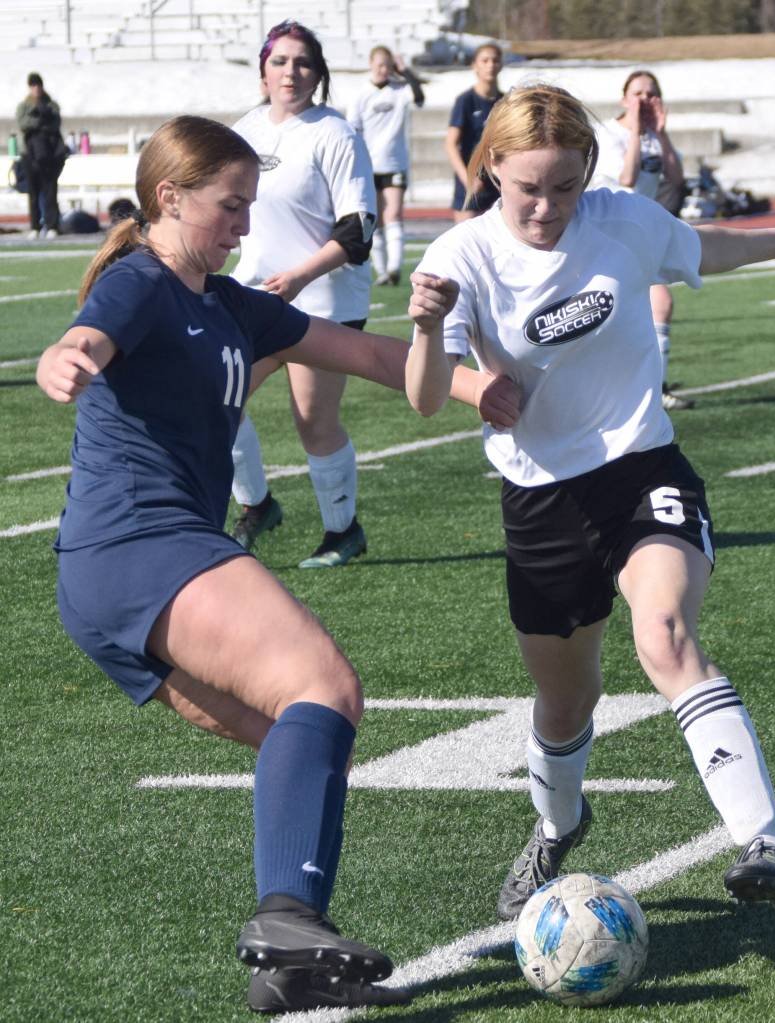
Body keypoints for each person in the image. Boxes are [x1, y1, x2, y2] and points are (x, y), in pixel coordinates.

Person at [36, 114, 509, 1014]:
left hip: (106, 581)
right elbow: (88, 338)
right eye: (230, 205)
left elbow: (368, 354)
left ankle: (290, 952)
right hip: (141, 546)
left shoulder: (232, 305)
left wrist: (484, 387)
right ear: (169, 198)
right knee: (322, 684)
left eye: (251, 205)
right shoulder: (141, 283)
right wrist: (66, 358)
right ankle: (288, 920)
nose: (245, 225)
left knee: (298, 738)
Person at [405, 84, 775, 923]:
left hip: (641, 470)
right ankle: (558, 821)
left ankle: (767, 840)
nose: (548, 206)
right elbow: (421, 395)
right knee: (565, 703)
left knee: (664, 633)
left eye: (565, 186)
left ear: (588, 171)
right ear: (491, 168)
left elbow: (694, 247)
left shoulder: (623, 219)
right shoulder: (461, 257)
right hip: (539, 500)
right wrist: (445, 355)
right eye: (528, 187)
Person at [228, 20, 377, 567]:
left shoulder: (334, 134)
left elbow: (358, 232)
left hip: (321, 300)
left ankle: (343, 532)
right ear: (264, 68)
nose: (291, 72)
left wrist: (298, 278)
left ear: (319, 74)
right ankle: (257, 505)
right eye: (280, 61)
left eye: (303, 63)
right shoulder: (244, 129)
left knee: (313, 421)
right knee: (218, 400)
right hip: (255, 297)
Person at [591, 70, 692, 411]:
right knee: (617, 314)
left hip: (639, 233)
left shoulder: (654, 135)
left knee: (659, 305)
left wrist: (661, 136)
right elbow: (628, 178)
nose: (645, 100)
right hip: (607, 231)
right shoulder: (607, 132)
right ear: (624, 99)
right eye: (638, 94)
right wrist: (635, 132)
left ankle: (653, 389)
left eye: (652, 94)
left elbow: (677, 179)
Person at [348, 45, 424, 286]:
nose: (383, 70)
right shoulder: (361, 94)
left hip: (394, 163)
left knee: (394, 214)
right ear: (371, 64)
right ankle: (382, 271)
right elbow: (353, 131)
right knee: (375, 218)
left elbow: (419, 98)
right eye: (379, 65)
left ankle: (394, 268)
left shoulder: (399, 90)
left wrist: (406, 72)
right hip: (369, 165)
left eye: (387, 65)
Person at [445, 42, 504, 223]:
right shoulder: (466, 101)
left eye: (494, 60)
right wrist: (468, 179)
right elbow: (450, 144)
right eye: (484, 60)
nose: (490, 65)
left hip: (497, 184)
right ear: (475, 66)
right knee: (466, 243)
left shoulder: (505, 102)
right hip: (471, 185)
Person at [15, 72, 66, 240]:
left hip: (49, 155)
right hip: (29, 155)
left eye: (38, 85)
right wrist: (38, 118)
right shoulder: (24, 106)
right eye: (33, 85)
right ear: (30, 87)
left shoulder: (51, 105)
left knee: (50, 190)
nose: (36, 88)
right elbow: (22, 123)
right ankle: (35, 226)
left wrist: (44, 117)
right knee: (33, 192)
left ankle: (52, 225)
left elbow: (55, 123)